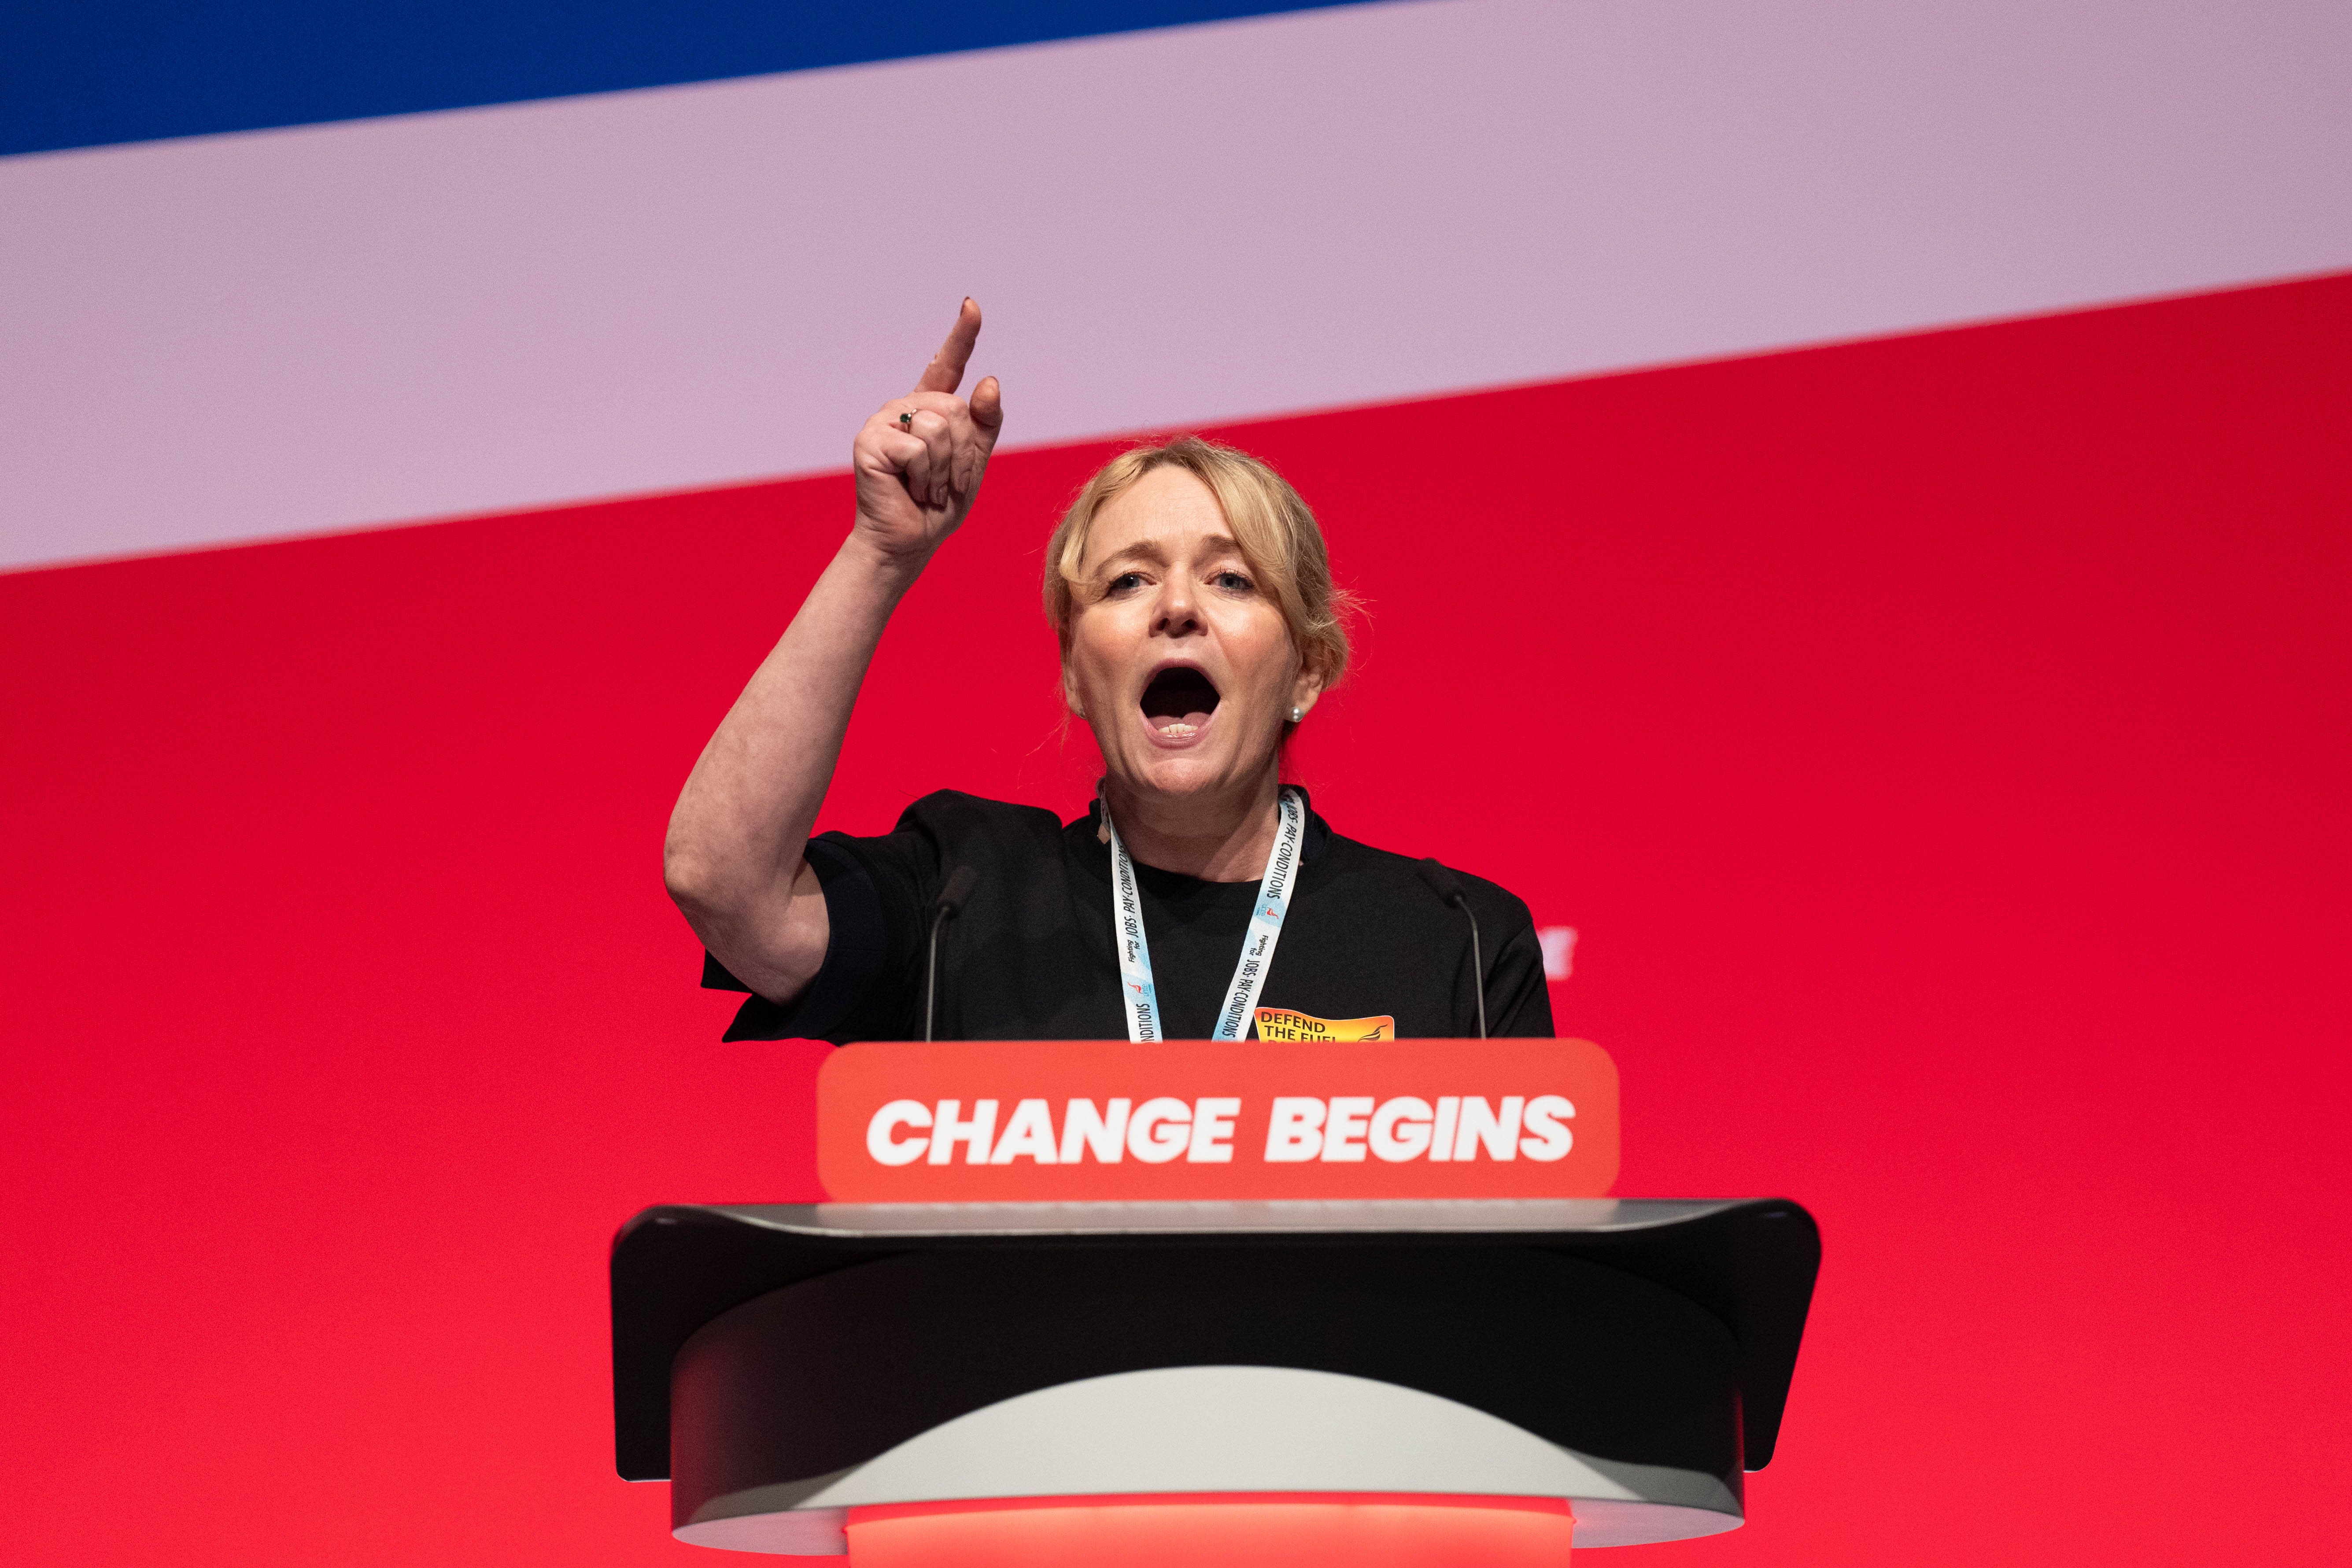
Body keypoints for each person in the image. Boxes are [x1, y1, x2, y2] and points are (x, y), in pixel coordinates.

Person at [664, 301, 1551, 1042]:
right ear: (1076, 677)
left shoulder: (1458, 941)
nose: (1176, 605)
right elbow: (723, 885)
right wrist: (879, 553)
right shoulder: (962, 898)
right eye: (1128, 579)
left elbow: (1512, 1255)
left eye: (1231, 578)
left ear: (1307, 672)